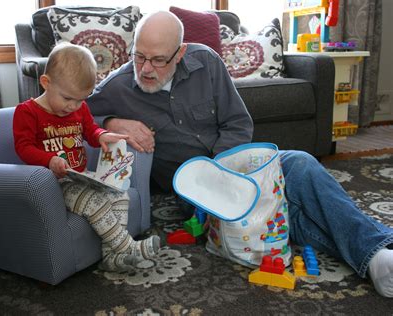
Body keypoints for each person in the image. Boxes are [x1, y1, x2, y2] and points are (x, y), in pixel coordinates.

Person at [87, 11, 393, 297]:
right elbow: (75, 115)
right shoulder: (118, 87)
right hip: (196, 191)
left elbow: (237, 122)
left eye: (157, 60)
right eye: (139, 56)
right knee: (277, 213)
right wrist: (113, 122)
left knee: (301, 163)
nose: (146, 69)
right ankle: (377, 256)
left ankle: (376, 254)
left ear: (180, 53)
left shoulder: (206, 62)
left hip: (238, 164)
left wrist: (227, 172)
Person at [13, 42, 160, 272]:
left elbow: (90, 131)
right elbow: (23, 147)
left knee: (119, 194)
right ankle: (127, 247)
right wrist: (49, 161)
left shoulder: (78, 109)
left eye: (81, 100)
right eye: (67, 98)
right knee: (95, 203)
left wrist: (103, 135)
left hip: (80, 176)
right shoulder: (28, 112)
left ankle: (113, 258)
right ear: (45, 83)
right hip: (53, 183)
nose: (73, 106)